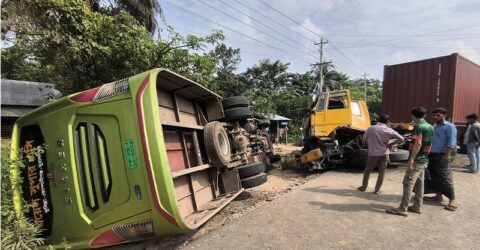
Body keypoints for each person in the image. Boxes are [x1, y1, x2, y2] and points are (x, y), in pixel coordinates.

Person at [386, 107, 434, 217]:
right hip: (424, 158)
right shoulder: (430, 126)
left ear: (413, 115)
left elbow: (418, 143)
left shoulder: (418, 126)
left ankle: (403, 208)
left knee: (408, 183)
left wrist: (411, 159)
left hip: (417, 159)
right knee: (419, 184)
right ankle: (417, 206)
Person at [358, 114, 404, 194]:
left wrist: (367, 143)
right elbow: (401, 139)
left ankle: (363, 187)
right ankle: (377, 190)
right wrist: (391, 144)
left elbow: (364, 140)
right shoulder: (389, 130)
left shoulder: (371, 128)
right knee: (381, 172)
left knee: (368, 171)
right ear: (387, 121)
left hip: (373, 154)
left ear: (378, 120)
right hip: (384, 154)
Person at [424, 108, 458, 211]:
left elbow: (451, 141)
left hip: (442, 155)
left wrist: (447, 155)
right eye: (434, 115)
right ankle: (438, 196)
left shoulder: (449, 127)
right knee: (434, 176)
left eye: (438, 115)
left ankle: (452, 200)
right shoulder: (434, 126)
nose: (435, 117)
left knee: (445, 177)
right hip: (432, 154)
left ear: (444, 115)